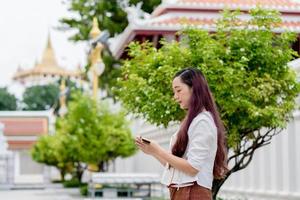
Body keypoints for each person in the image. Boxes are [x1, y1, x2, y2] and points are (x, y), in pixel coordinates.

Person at [135, 68, 228, 200]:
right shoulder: (194, 120)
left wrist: (159, 150)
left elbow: (192, 168)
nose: (175, 97)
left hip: (193, 192)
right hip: (183, 192)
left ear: (194, 89)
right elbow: (176, 167)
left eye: (179, 90)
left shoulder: (202, 121)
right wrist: (152, 151)